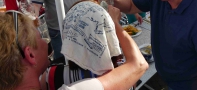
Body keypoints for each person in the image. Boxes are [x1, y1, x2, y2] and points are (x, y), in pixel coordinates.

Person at [0, 8, 148, 90]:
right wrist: (114, 22)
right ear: (30, 54)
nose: (46, 43)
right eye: (41, 38)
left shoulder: (48, 76)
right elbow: (139, 64)